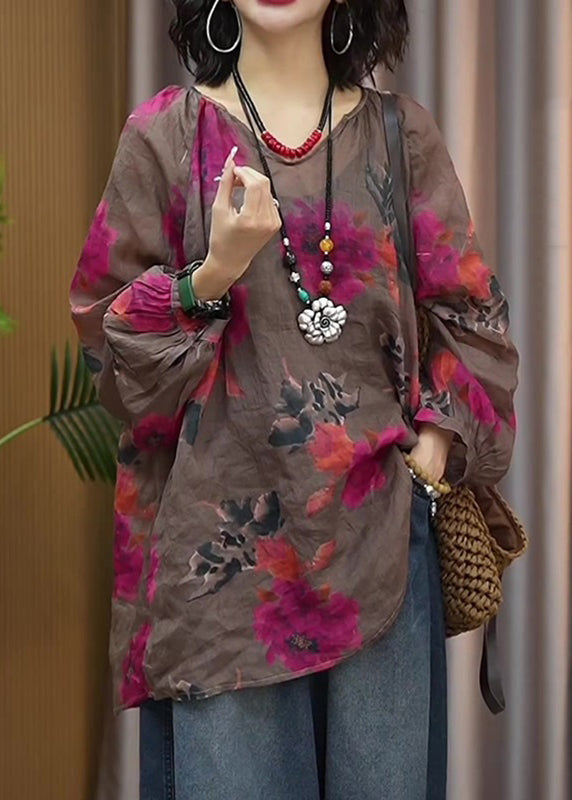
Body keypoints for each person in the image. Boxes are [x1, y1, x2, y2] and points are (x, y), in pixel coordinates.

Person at [69, 1, 519, 798]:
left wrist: (433, 451)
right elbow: (112, 357)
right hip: (217, 587)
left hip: (381, 562)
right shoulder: (165, 138)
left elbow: (474, 321)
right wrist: (212, 275)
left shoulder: (401, 136)